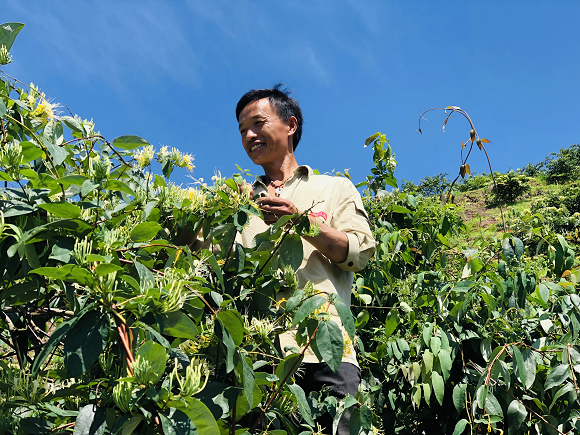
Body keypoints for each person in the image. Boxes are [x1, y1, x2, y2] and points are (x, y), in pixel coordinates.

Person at [236, 85, 375, 434]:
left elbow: (358, 253)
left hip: (325, 352)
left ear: (290, 125)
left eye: (257, 123)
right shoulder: (238, 203)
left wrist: (301, 221)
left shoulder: (334, 188)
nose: (250, 135)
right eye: (242, 131)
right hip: (259, 358)